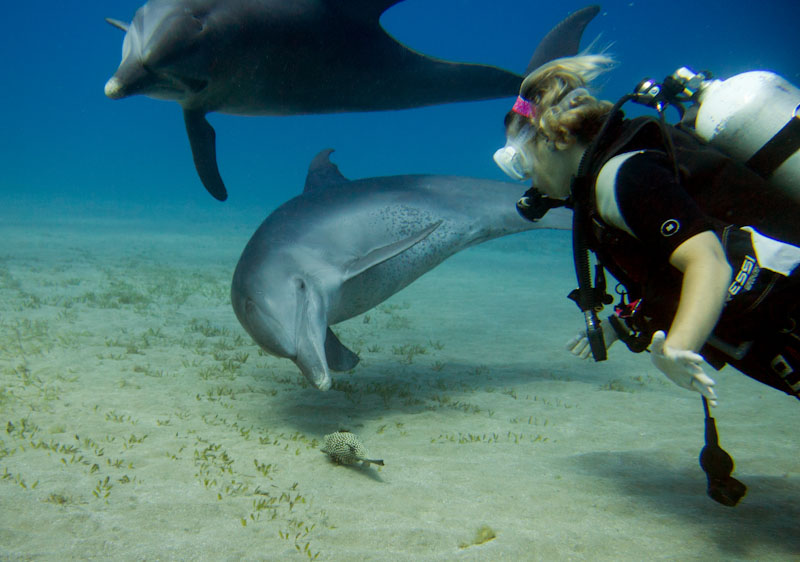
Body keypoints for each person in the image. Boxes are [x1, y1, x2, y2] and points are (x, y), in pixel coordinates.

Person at [493, 54, 800, 406]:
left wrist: (679, 346)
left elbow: (709, 261)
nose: (530, 179)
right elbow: (663, 271)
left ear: (554, 140)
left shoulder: (624, 179)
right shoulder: (610, 179)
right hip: (768, 321)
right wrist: (620, 325)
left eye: (522, 163)